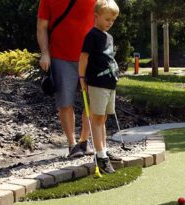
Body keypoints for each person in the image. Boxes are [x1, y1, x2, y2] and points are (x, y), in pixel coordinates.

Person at [37, 0, 96, 158]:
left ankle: (84, 141)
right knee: (64, 103)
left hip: (90, 57)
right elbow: (42, 27)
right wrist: (44, 53)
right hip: (60, 57)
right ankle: (72, 144)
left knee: (92, 102)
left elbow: (104, 19)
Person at [78, 0, 120, 174]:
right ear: (96, 16)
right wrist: (82, 78)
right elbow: (83, 58)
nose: (110, 23)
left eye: (113, 20)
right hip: (97, 83)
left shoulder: (108, 37)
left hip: (110, 83)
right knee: (96, 118)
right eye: (107, 19)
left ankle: (103, 148)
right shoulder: (92, 35)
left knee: (102, 119)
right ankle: (100, 156)